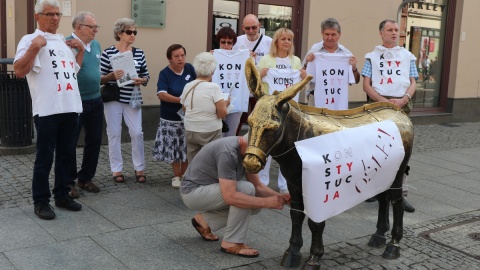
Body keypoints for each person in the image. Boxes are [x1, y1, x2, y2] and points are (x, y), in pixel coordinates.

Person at [13, 0, 83, 220]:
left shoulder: (63, 41)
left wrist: (80, 50)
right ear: (38, 17)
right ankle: (41, 201)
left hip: (70, 106)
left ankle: (62, 195)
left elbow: (73, 71)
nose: (55, 18)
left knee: (65, 155)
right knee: (44, 158)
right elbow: (19, 70)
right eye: (50, 14)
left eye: (57, 14)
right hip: (47, 110)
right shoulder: (29, 40)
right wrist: (35, 47)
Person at [180, 135, 290, 257]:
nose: (255, 158)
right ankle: (231, 243)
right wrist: (267, 202)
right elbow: (230, 196)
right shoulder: (227, 152)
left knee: (254, 203)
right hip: (193, 192)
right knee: (246, 190)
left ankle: (204, 221)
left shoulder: (248, 151)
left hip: (206, 190)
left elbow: (258, 186)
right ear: (243, 142)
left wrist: (281, 197)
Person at [361, 19, 418, 213]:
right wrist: (382, 101)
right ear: (381, 33)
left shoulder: (408, 56)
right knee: (376, 147)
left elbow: (413, 82)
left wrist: (404, 99)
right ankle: (373, 191)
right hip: (379, 106)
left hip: (401, 106)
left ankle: (401, 194)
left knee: (402, 150)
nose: (394, 33)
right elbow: (366, 85)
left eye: (396, 30)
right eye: (389, 30)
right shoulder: (372, 57)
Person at [256, 28, 307, 194]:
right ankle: (262, 183)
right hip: (270, 109)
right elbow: (255, 84)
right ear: (276, 41)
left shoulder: (296, 61)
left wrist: (304, 76)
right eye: (283, 39)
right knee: (267, 146)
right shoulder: (266, 60)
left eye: (289, 39)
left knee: (287, 147)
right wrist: (259, 74)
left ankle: (285, 184)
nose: (286, 42)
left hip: (289, 111)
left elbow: (298, 85)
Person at [100, 18, 150, 184]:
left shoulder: (139, 53)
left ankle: (139, 167)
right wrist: (111, 76)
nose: (133, 35)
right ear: (119, 33)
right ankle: (116, 169)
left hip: (132, 97)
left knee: (137, 132)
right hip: (113, 97)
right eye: (129, 32)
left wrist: (141, 80)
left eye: (135, 32)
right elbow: (100, 78)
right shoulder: (108, 53)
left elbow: (146, 75)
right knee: (114, 133)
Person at [66, 11, 102, 198]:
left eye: (96, 27)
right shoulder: (67, 45)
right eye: (92, 27)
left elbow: (96, 72)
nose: (95, 30)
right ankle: (69, 181)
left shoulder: (95, 45)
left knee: (95, 140)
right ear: (79, 27)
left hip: (95, 99)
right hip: (75, 101)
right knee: (70, 141)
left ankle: (85, 178)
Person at [153, 44, 196, 188]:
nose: (180, 59)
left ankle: (185, 174)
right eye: (176, 56)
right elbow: (161, 94)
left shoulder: (190, 68)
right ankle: (176, 175)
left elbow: (200, 83)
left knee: (187, 146)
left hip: (189, 117)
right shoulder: (165, 73)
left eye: (182, 55)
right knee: (173, 148)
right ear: (169, 59)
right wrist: (181, 100)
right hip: (170, 118)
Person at [180, 52, 228, 162]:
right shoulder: (213, 87)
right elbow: (222, 113)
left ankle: (193, 178)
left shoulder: (188, 85)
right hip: (210, 130)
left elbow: (184, 108)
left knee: (193, 161)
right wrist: (226, 103)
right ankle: (209, 179)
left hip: (190, 128)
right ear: (213, 70)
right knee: (211, 161)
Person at [302, 18, 360, 108]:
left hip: (338, 100)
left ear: (339, 35)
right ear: (322, 34)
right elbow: (303, 78)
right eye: (327, 34)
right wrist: (306, 63)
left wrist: (354, 67)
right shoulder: (314, 51)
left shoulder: (346, 54)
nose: (330, 37)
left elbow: (356, 80)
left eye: (333, 34)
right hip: (316, 99)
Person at [211, 27, 250, 137]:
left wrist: (250, 60)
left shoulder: (241, 57)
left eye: (229, 42)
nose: (226, 45)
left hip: (235, 101)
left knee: (231, 134)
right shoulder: (213, 56)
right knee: (218, 135)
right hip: (217, 102)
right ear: (218, 42)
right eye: (223, 42)